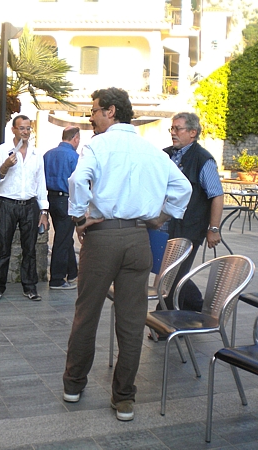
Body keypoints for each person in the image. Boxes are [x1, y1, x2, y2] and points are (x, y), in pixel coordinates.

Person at [62, 87, 192, 421]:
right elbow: (183, 188)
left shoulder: (98, 145)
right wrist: (160, 217)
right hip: (138, 238)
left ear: (111, 111)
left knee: (86, 314)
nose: (91, 117)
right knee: (132, 322)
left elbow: (77, 180)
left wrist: (78, 217)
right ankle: (123, 399)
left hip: (102, 238)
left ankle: (74, 385)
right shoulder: (152, 150)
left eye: (94, 110)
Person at [160, 112, 223, 312]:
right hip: (162, 227)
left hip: (188, 229)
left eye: (178, 129)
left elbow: (216, 195)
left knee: (172, 277)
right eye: (172, 128)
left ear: (193, 132)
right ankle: (199, 308)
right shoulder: (165, 155)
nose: (173, 133)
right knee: (170, 273)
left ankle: (164, 318)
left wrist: (214, 228)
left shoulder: (203, 159)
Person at [0, 115, 49, 302]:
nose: (25, 132)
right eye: (22, 128)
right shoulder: (2, 151)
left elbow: (41, 184)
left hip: (29, 206)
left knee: (29, 249)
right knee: (3, 248)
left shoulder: (36, 154)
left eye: (28, 128)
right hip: (7, 204)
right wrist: (5, 166)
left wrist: (44, 211)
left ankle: (30, 288)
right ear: (13, 130)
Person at [43, 126, 81, 290]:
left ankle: (72, 273)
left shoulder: (48, 154)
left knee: (64, 237)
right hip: (66, 200)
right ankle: (57, 279)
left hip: (51, 199)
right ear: (75, 138)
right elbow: (78, 183)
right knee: (62, 239)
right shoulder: (74, 157)